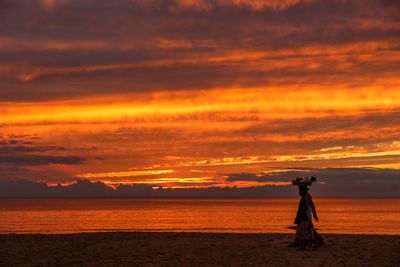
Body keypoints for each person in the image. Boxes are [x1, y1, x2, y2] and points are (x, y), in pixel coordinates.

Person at [290, 177, 323, 249]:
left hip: (306, 216)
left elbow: (311, 205)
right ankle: (311, 242)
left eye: (300, 190)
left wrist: (314, 215)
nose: (298, 192)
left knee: (306, 230)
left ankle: (313, 242)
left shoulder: (307, 197)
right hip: (306, 216)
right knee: (307, 229)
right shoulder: (304, 197)